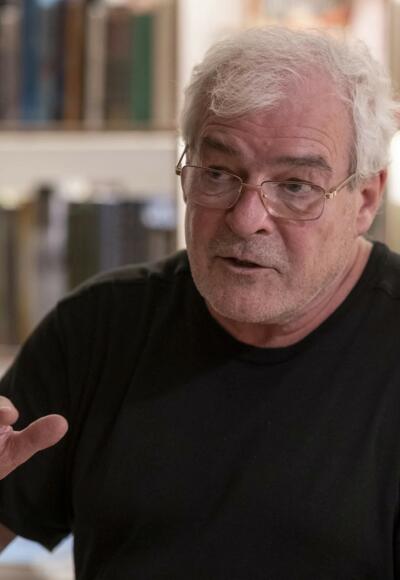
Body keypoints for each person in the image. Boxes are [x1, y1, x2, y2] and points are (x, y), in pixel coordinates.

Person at [0, 25, 399, 579]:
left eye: (295, 186)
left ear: (366, 199)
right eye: (217, 173)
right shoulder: (100, 327)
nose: (246, 218)